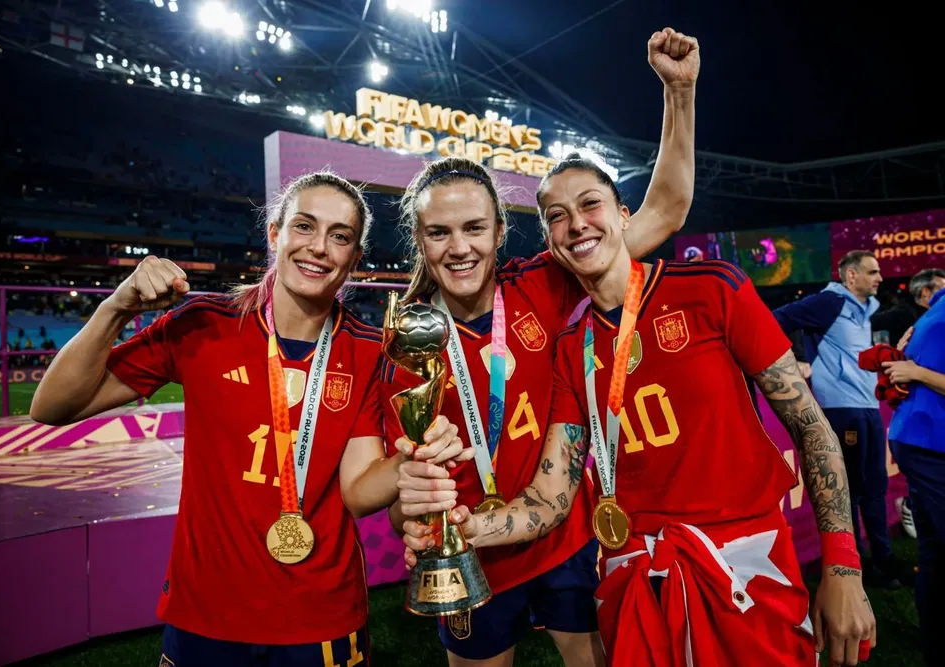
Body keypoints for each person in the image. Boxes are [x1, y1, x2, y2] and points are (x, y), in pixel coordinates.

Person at [398, 151, 876, 667]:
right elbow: (550, 496)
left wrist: (844, 568)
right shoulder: (569, 346)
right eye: (556, 215)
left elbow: (811, 428)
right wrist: (462, 533)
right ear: (548, 239)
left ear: (624, 215)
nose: (576, 222)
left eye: (590, 204)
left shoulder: (712, 287)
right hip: (636, 578)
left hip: (747, 568)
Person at [30, 171, 472, 667]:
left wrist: (408, 462)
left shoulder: (369, 349)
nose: (320, 248)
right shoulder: (202, 324)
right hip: (206, 612)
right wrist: (116, 307)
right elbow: (52, 407)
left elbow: (356, 489)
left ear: (354, 257)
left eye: (340, 236)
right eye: (304, 226)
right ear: (275, 233)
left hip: (322, 612)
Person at [386, 27, 698, 667]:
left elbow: (663, 211)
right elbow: (398, 493)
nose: (460, 247)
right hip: (470, 556)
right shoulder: (402, 347)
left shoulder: (544, 286)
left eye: (475, 228)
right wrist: (412, 518)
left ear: (501, 232)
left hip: (567, 542)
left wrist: (679, 93)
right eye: (440, 233)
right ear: (419, 242)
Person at [772, 251, 905, 588]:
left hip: (869, 408)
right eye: (872, 272)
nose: (879, 278)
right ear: (850, 276)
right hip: (841, 410)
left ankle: (884, 558)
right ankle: (856, 566)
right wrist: (796, 361)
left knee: (875, 486)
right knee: (851, 492)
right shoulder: (830, 302)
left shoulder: (866, 309)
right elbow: (776, 320)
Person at [882, 279, 945, 666]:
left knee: (934, 552)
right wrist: (918, 373)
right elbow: (906, 372)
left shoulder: (933, 310)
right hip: (930, 442)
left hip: (919, 438)